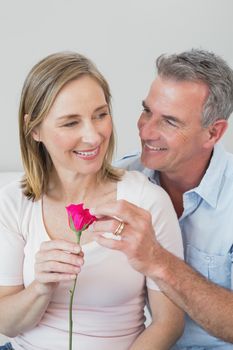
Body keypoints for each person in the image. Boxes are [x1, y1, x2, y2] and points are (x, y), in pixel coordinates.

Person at [0, 51, 184, 350]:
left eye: (100, 114)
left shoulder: (146, 201)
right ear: (34, 129)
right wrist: (40, 288)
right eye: (71, 123)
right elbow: (7, 324)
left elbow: (169, 324)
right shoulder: (13, 202)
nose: (93, 136)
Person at [91, 49, 233, 349]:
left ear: (213, 133)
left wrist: (158, 261)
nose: (146, 131)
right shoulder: (123, 179)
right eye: (147, 111)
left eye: (170, 121)